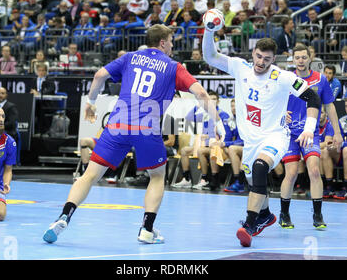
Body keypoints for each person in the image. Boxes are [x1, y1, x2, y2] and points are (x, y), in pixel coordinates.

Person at [42, 24, 226, 244]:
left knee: (89, 175)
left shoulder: (130, 57)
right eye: (171, 42)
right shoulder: (174, 66)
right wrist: (218, 122)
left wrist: (91, 102)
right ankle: (147, 229)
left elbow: (99, 75)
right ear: (163, 43)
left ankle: (64, 216)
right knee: (157, 176)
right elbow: (202, 94)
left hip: (117, 124)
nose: (172, 46)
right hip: (147, 126)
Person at [202, 13, 321, 247]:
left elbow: (313, 98)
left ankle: (249, 224)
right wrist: (208, 30)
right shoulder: (240, 67)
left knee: (259, 168)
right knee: (254, 181)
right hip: (250, 140)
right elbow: (210, 56)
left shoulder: (283, 77)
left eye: (266, 59)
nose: (261, 62)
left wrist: (309, 128)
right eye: (258, 56)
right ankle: (265, 215)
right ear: (253, 53)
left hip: (275, 136)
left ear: (273, 58)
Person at [278, 43, 342, 230]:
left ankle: (317, 214)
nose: (300, 61)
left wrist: (337, 132)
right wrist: (281, 114)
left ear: (310, 59)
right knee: (290, 173)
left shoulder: (320, 80)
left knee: (314, 170)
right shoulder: (286, 79)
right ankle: (284, 213)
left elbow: (329, 106)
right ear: (293, 59)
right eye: (297, 57)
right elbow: (274, 101)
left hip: (310, 132)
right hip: (289, 133)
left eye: (303, 57)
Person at [172, 90, 231, 190]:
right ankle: (186, 178)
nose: (212, 102)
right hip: (205, 144)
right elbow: (189, 118)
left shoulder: (223, 114)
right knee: (184, 151)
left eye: (214, 99)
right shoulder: (205, 113)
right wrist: (198, 106)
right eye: (210, 100)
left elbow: (226, 134)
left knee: (205, 150)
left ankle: (205, 179)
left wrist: (217, 140)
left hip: (217, 146)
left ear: (218, 101)